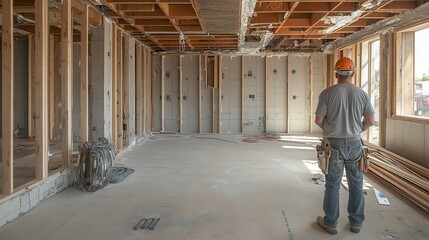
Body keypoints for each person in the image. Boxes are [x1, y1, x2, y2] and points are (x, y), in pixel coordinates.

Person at [314, 57, 375, 234]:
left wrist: (329, 128)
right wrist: (356, 130)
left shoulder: (327, 93)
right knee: (356, 184)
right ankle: (356, 222)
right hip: (355, 144)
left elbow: (318, 119)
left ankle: (331, 223)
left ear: (336, 74)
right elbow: (370, 120)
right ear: (353, 73)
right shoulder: (362, 94)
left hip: (333, 145)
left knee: (333, 184)